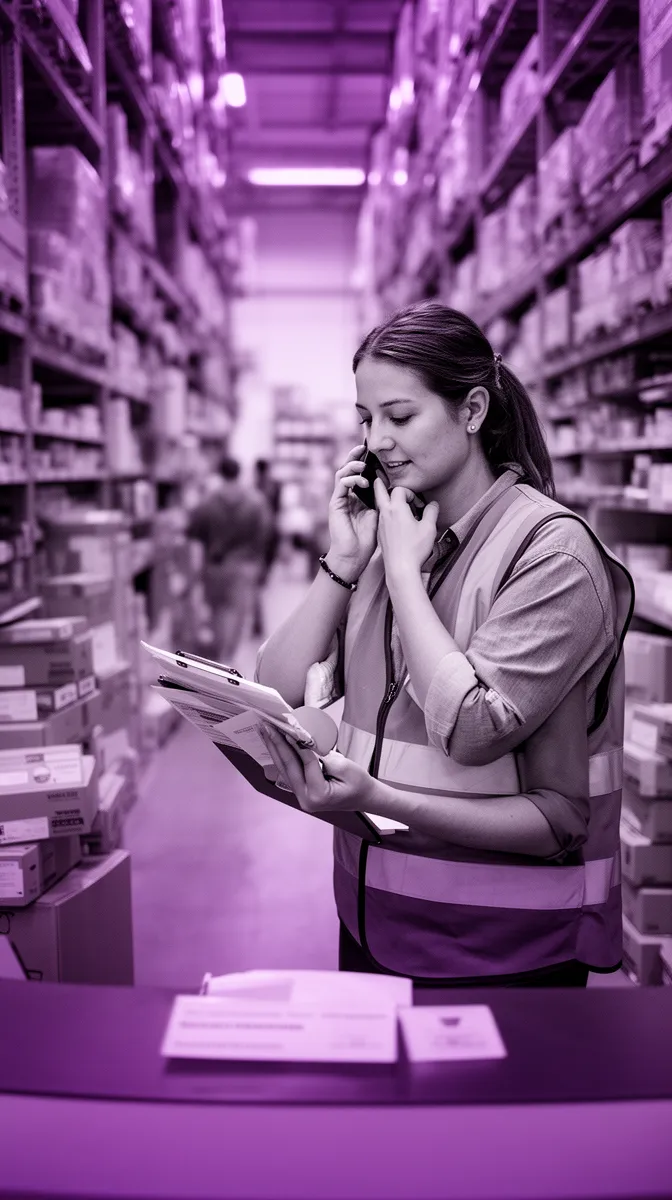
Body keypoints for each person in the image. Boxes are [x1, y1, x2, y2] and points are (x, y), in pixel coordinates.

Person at [257, 302, 635, 988]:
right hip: (374, 923)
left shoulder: (550, 555)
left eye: (400, 417)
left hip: (504, 948)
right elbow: (275, 688)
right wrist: (346, 562)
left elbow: (471, 732)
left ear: (473, 410)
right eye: (365, 420)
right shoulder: (389, 537)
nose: (377, 442)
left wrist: (404, 575)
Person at [186, 455, 271, 664]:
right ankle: (228, 656)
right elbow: (265, 534)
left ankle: (219, 653)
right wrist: (261, 564)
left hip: (215, 567)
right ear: (239, 473)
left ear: (220, 473)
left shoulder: (207, 502)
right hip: (245, 566)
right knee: (238, 614)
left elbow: (194, 532)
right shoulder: (256, 501)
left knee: (217, 611)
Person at [251, 459, 282, 638]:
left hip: (260, 537)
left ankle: (257, 621)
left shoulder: (256, 489)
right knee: (260, 580)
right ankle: (257, 620)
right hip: (270, 534)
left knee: (258, 581)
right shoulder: (274, 486)